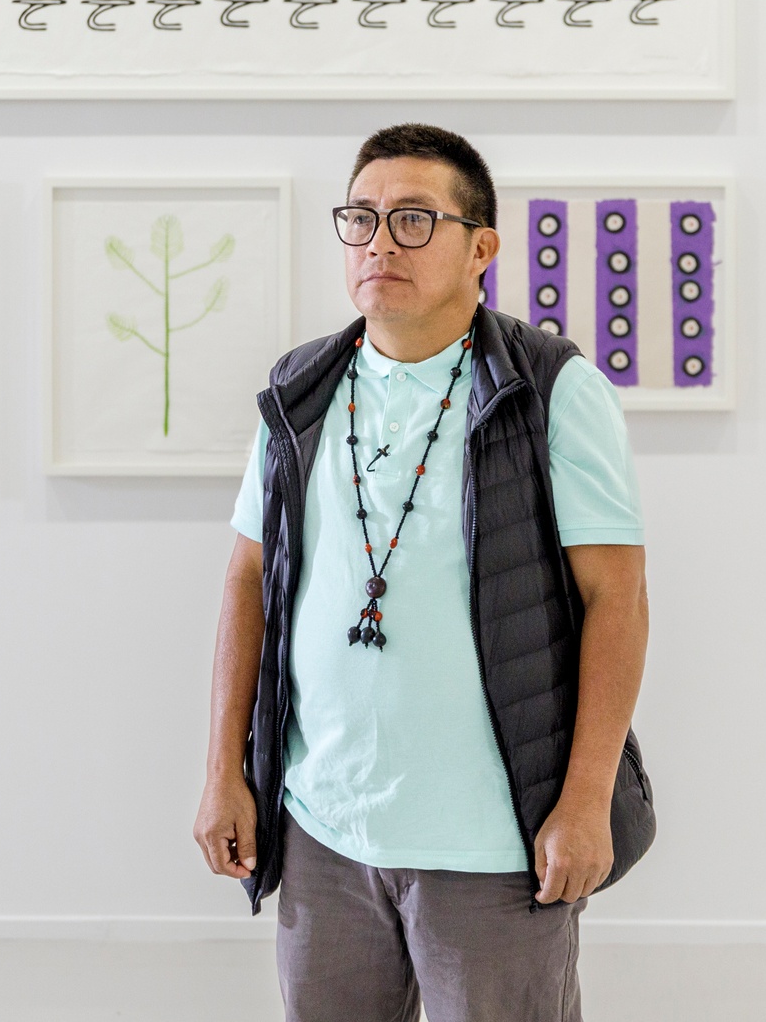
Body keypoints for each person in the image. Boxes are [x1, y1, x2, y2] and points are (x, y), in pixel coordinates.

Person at [194, 123, 655, 1022]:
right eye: (361, 218)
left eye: (413, 220)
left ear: (482, 246)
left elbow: (618, 599)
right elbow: (246, 579)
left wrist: (587, 799)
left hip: (491, 844)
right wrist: (224, 769)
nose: (378, 243)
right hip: (324, 828)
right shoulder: (302, 390)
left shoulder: (553, 388)